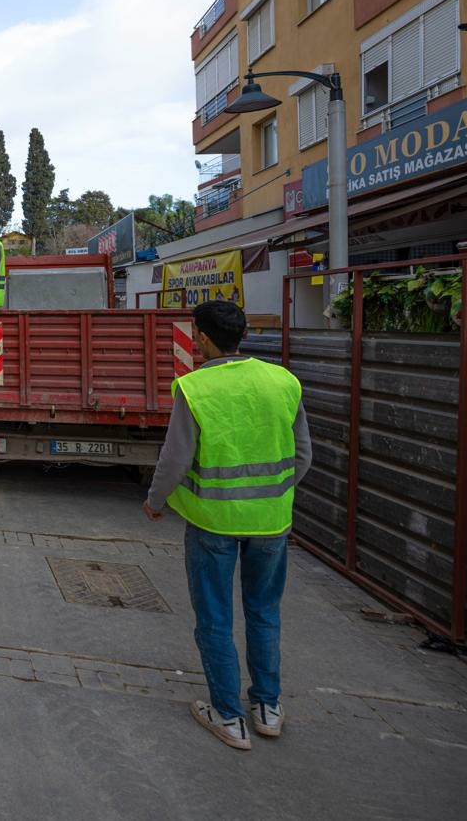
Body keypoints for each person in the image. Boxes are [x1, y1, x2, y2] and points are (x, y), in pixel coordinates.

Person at [143, 299, 311, 751]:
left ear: (201, 337)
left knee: (215, 619)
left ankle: (228, 715)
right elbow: (302, 457)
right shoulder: (284, 382)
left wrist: (156, 502)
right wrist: (269, 495)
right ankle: (267, 709)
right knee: (263, 613)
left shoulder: (195, 388)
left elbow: (175, 459)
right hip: (272, 523)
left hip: (212, 523)